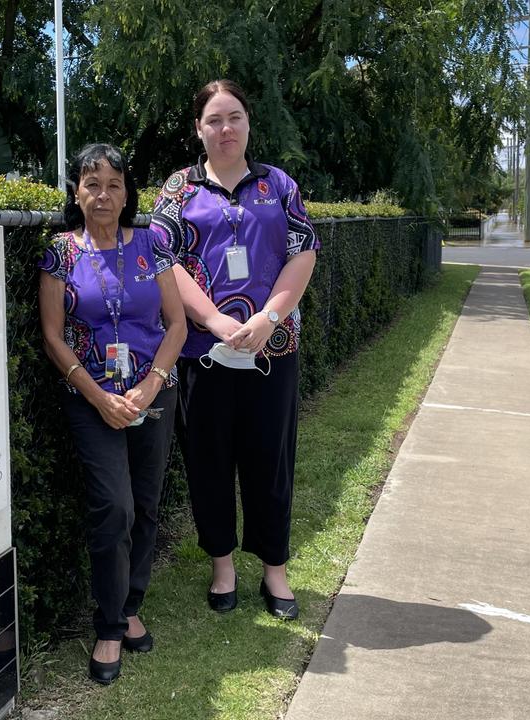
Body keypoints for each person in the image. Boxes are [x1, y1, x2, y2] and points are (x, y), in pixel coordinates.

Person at [151, 79, 319, 620]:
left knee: (271, 459)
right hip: (202, 350)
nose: (226, 129)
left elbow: (303, 254)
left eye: (235, 117)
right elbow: (165, 262)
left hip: (273, 348)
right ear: (198, 129)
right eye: (214, 120)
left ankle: (275, 569)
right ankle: (222, 565)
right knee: (210, 460)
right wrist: (215, 319)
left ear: (249, 122)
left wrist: (270, 317)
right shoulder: (179, 189)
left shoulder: (279, 185)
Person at [38, 143, 187, 684]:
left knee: (145, 505)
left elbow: (176, 325)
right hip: (90, 400)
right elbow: (53, 337)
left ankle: (129, 609)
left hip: (152, 396)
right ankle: (106, 626)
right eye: (91, 184)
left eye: (114, 185)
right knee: (114, 508)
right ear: (76, 192)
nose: (103, 195)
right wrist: (101, 397)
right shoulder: (59, 252)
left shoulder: (154, 244)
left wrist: (149, 387)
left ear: (128, 193)